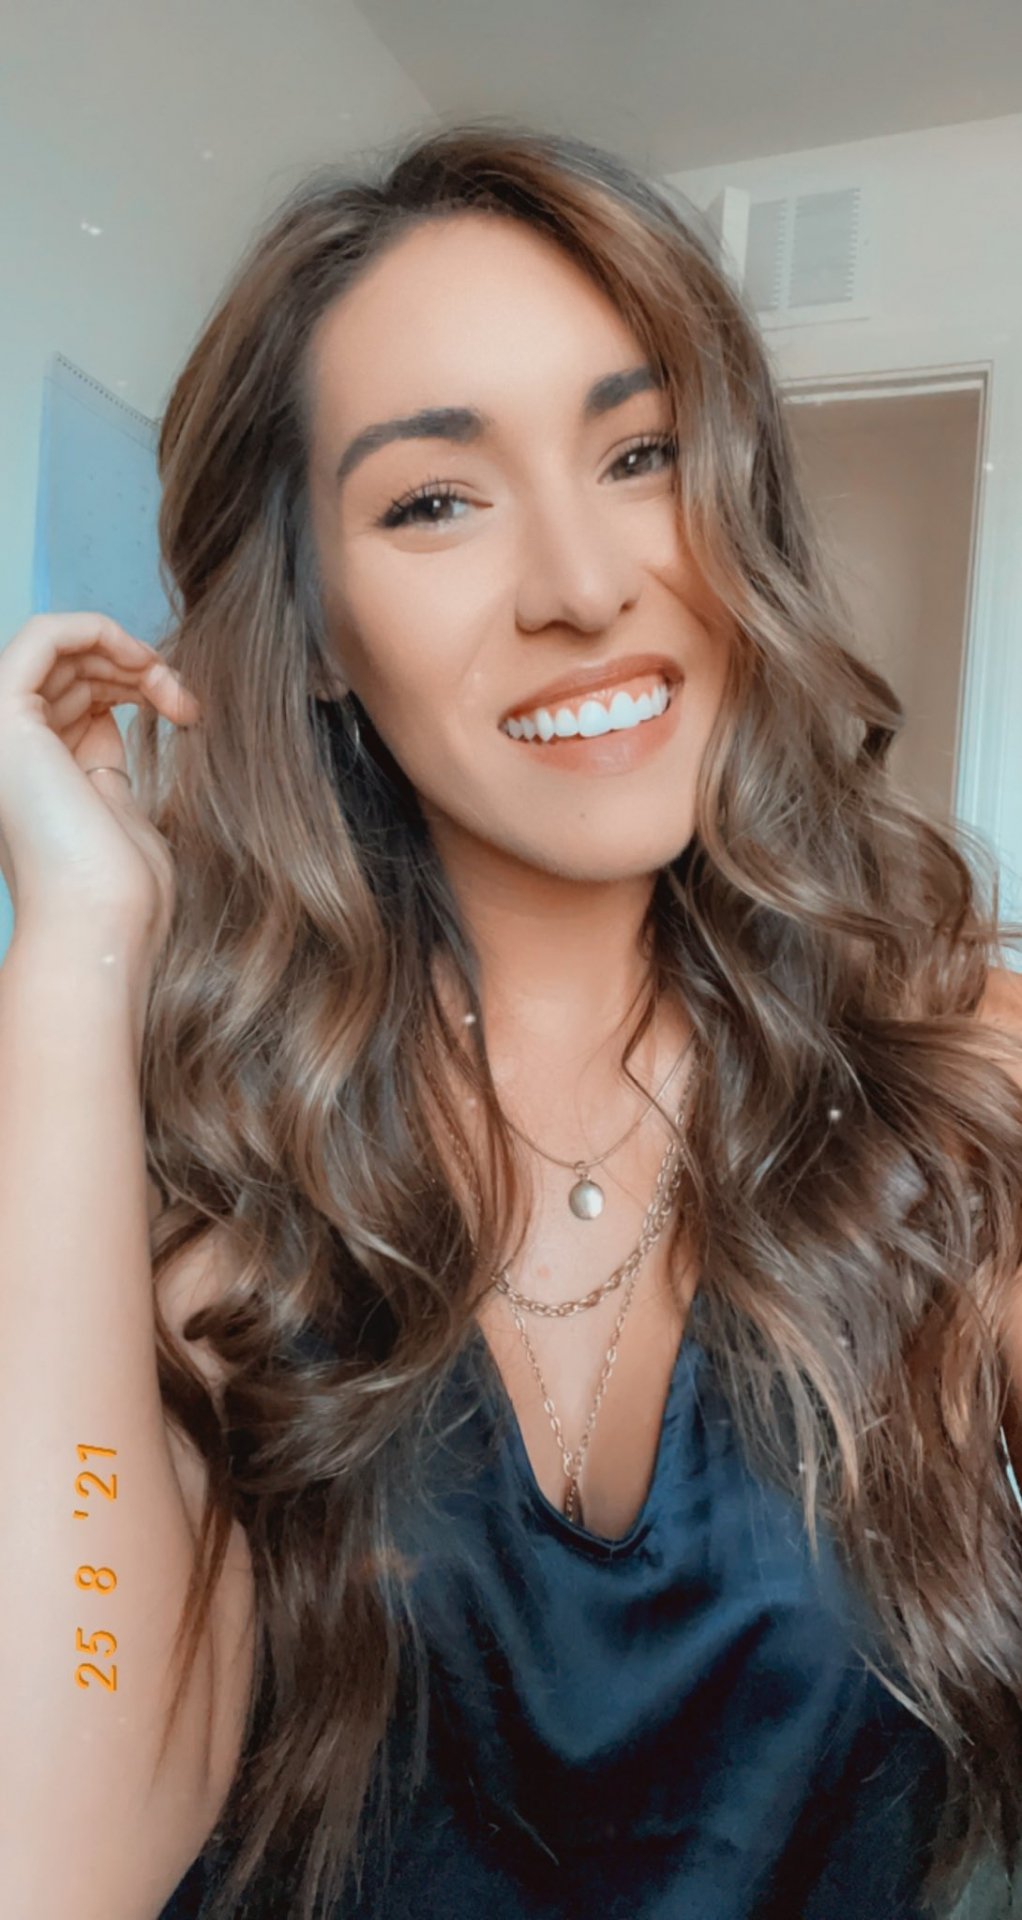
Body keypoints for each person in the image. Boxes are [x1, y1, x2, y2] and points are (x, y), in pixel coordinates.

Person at [2, 120, 1022, 1920]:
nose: (580, 584)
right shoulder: (198, 1157)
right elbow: (56, 1861)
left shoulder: (959, 1074)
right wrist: (80, 948)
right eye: (434, 501)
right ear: (318, 632)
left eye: (638, 455)